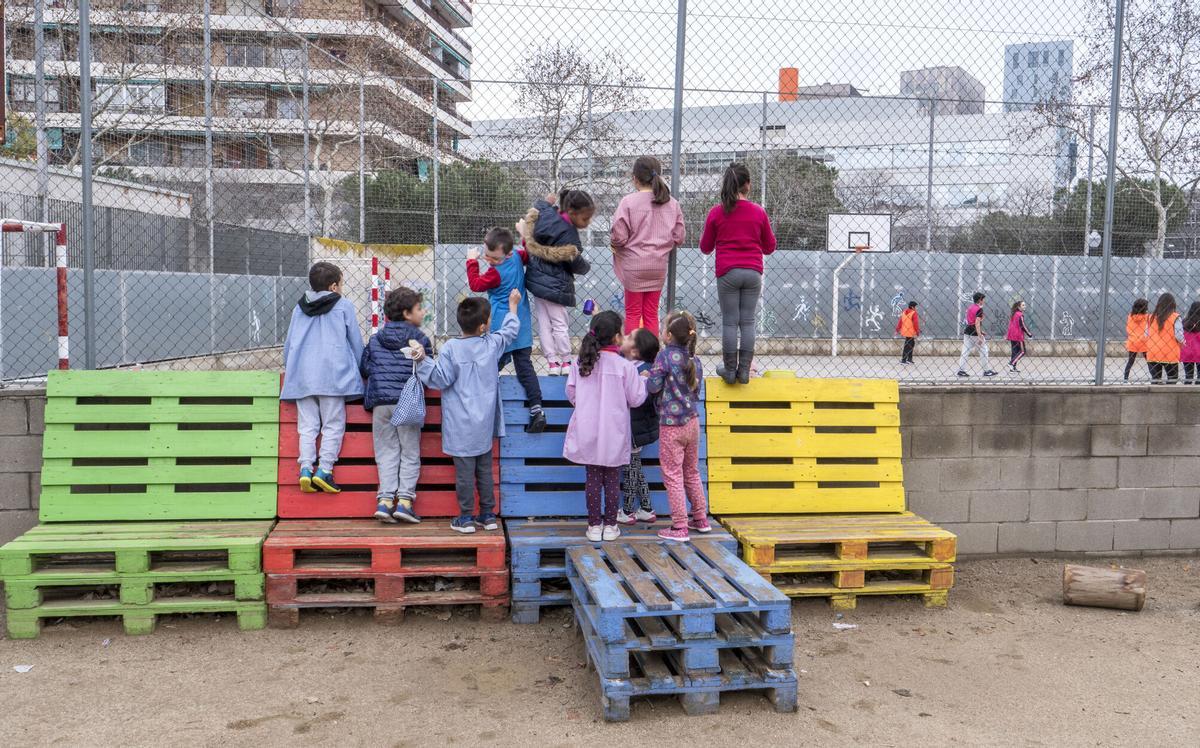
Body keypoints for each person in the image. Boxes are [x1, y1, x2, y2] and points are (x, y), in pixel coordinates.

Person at [416, 290, 522, 533]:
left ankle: (465, 518)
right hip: (484, 425)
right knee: (484, 470)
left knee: (464, 474)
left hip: (460, 425)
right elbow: (510, 331)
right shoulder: (491, 344)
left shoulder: (451, 347)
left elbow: (440, 379)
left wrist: (422, 361)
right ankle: (488, 515)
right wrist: (513, 307)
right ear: (483, 326)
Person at [563, 310, 648, 541]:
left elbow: (571, 392)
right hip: (614, 432)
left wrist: (584, 406)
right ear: (617, 337)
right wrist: (643, 381)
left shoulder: (581, 363)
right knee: (612, 479)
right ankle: (610, 526)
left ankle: (593, 526)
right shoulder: (625, 367)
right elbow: (636, 399)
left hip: (587, 429)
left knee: (592, 478)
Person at [281, 261, 364, 494]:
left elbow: (289, 344)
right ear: (334, 286)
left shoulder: (299, 308)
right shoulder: (343, 305)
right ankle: (325, 470)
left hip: (302, 376)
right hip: (333, 375)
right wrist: (361, 367)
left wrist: (291, 368)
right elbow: (355, 341)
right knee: (333, 425)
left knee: (307, 426)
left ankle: (306, 469)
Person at [359, 287, 433, 524]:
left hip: (381, 403)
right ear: (407, 314)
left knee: (386, 452)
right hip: (407, 402)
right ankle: (405, 502)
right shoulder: (420, 340)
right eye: (419, 308)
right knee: (409, 452)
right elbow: (427, 371)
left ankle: (385, 501)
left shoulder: (376, 339)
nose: (423, 312)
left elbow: (365, 368)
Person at [699, 162, 777, 384]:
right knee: (748, 321)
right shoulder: (758, 212)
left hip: (728, 273)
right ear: (747, 185)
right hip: (752, 272)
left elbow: (705, 247)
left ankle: (729, 370)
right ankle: (744, 371)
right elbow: (769, 246)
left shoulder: (717, 212)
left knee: (730, 322)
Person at [466, 226, 546, 433]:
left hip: (502, 327)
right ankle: (537, 409)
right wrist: (525, 235)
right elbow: (529, 253)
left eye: (494, 258)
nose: (489, 260)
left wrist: (472, 261)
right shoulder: (517, 257)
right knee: (524, 366)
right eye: (487, 255)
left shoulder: (494, 274)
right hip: (521, 323)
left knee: (492, 363)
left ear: (507, 254)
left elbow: (475, 284)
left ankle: (476, 400)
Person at [648, 311, 711, 542]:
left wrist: (649, 376)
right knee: (691, 472)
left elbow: (653, 387)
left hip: (671, 425)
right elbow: (694, 391)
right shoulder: (695, 361)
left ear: (669, 335)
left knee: (672, 474)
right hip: (692, 423)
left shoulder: (664, 356)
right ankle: (701, 518)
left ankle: (680, 526)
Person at [517, 189, 594, 375]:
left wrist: (547, 202)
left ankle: (552, 363)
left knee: (544, 324)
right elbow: (575, 262)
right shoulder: (569, 233)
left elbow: (540, 206)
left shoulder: (547, 214)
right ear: (572, 212)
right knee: (560, 324)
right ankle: (566, 361)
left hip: (537, 282)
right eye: (585, 218)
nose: (587, 223)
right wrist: (586, 267)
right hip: (556, 286)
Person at [610, 156, 686, 334]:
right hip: (658, 266)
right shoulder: (672, 203)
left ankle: (632, 350)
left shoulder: (628, 202)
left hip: (634, 266)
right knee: (651, 313)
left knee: (633, 313)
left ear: (634, 178)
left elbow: (619, 237)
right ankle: (651, 350)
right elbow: (679, 236)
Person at [617, 328, 661, 525]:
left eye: (629, 337)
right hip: (633, 426)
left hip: (636, 428)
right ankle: (646, 508)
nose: (624, 337)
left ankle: (627, 511)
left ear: (635, 351)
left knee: (630, 469)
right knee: (635, 466)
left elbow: (644, 398)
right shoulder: (628, 363)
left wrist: (643, 380)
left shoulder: (647, 370)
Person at [956, 291, 997, 377]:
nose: (984, 301)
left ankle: (961, 370)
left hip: (967, 331)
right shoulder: (979, 309)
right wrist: (980, 335)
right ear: (980, 300)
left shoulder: (970, 307)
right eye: (983, 299)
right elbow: (977, 323)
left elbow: (970, 321)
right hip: (975, 332)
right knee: (983, 350)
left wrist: (980, 331)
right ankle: (986, 371)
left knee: (965, 351)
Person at [1146, 293, 1182, 384]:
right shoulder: (1175, 317)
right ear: (1173, 304)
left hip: (1153, 352)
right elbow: (1179, 336)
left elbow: (1146, 334)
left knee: (1155, 380)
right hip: (1170, 352)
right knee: (1172, 379)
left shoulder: (1150, 317)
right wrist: (1183, 342)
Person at [1124, 298, 1150, 381]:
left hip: (1132, 341)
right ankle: (1154, 377)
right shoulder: (1147, 317)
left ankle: (1125, 379)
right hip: (1144, 341)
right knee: (1149, 361)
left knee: (1130, 362)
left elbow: (1128, 328)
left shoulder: (1130, 317)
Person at [1006, 300, 1032, 373]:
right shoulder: (1020, 315)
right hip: (1018, 336)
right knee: (1022, 351)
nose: (1025, 306)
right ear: (1018, 307)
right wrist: (1029, 334)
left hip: (1012, 335)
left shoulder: (1014, 314)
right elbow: (1022, 325)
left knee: (1014, 352)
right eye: (1023, 305)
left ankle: (1012, 368)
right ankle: (1011, 363)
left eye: (1024, 305)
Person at [1181, 302, 1200, 384]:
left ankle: (1187, 388)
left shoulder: (1184, 322)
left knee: (1188, 376)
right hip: (1199, 352)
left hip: (1187, 352)